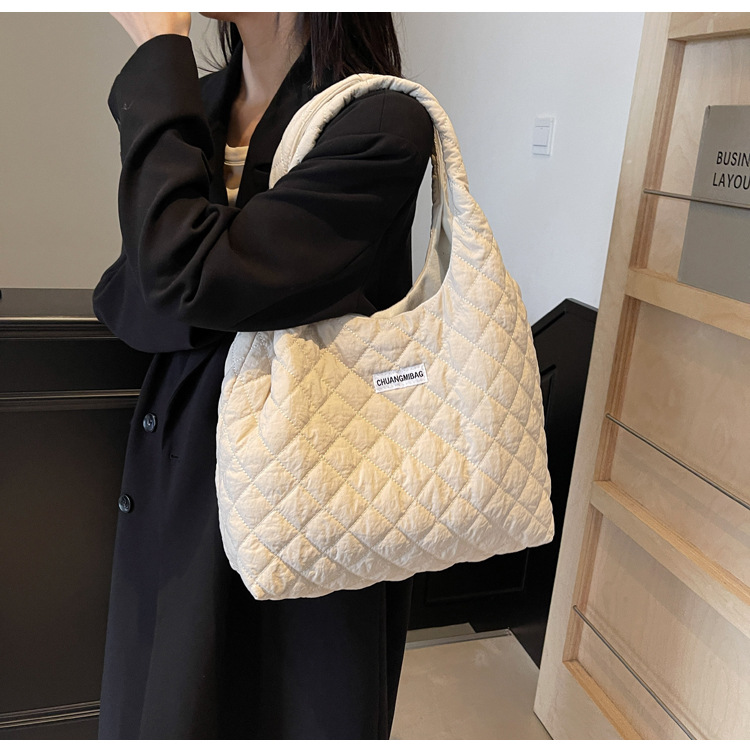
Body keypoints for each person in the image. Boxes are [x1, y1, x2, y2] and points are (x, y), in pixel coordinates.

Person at [93, 12, 434, 740]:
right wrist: (201, 284)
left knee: (281, 707)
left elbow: (177, 276)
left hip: (307, 503)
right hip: (178, 484)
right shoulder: (199, 101)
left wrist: (160, 50)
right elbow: (135, 290)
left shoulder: (379, 121)